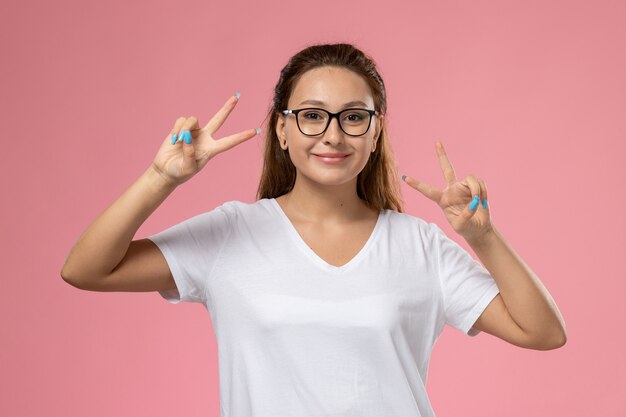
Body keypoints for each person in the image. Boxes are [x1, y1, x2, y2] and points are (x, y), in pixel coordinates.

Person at [61, 43, 567, 417]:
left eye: (352, 117)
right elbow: (84, 269)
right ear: (282, 130)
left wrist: (482, 238)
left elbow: (543, 332)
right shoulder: (233, 233)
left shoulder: (419, 246)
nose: (332, 135)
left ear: (375, 131)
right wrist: (159, 178)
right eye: (310, 116)